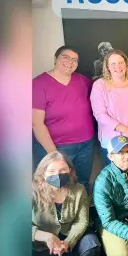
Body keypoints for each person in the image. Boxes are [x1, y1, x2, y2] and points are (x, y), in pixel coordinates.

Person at [32, 46, 95, 193]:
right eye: (65, 57)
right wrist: (54, 155)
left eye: (74, 60)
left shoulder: (82, 81)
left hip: (86, 144)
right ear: (55, 59)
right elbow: (37, 124)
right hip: (58, 146)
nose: (70, 62)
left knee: (82, 183)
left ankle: (82, 215)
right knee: (56, 187)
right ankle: (60, 216)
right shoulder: (39, 84)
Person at [32, 151, 101, 256]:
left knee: (92, 247)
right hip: (42, 241)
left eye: (63, 170)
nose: (58, 175)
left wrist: (68, 242)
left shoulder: (79, 189)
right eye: (51, 171)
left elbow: (82, 221)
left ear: (70, 170)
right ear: (43, 173)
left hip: (70, 235)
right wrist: (45, 236)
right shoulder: (33, 192)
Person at [90, 49, 128, 165]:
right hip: (112, 142)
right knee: (115, 178)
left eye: (121, 62)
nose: (117, 66)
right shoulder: (99, 86)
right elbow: (101, 116)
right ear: (107, 67)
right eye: (113, 64)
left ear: (126, 64)